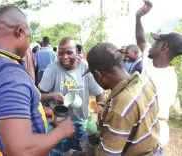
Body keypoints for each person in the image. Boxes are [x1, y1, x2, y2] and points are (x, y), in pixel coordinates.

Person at [0, 6, 75, 156]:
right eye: (29, 36)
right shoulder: (9, 74)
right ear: (20, 32)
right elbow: (21, 151)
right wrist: (62, 131)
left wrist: (41, 112)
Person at [67, 42, 162, 156]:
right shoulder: (144, 80)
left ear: (97, 74)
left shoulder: (120, 107)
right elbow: (137, 118)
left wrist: (74, 154)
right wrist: (107, 112)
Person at [39, 37, 104, 156]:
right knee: (57, 152)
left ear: (77, 52)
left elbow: (100, 94)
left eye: (69, 52)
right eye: (61, 53)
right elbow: (39, 95)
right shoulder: (52, 68)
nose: (64, 57)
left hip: (82, 124)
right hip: (59, 123)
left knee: (80, 153)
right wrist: (52, 96)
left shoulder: (85, 68)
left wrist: (100, 122)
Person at [135, 0, 182, 146]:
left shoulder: (167, 81)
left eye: (156, 42)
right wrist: (138, 17)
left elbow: (153, 117)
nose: (151, 44)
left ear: (164, 47)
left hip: (152, 139)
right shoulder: (150, 61)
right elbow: (141, 40)